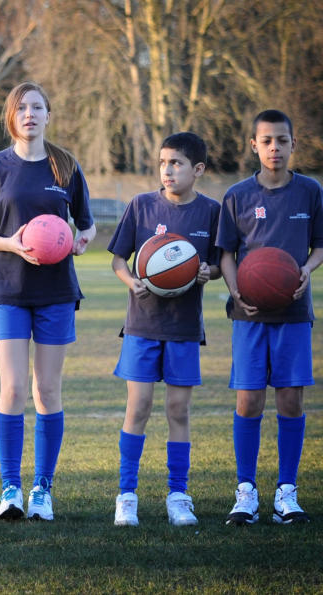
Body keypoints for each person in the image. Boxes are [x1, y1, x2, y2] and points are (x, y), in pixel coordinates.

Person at [0, 81, 95, 522]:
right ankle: (10, 489)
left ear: (47, 115)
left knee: (47, 390)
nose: (30, 114)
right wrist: (10, 243)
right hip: (9, 288)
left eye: (38, 107)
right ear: (11, 116)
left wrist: (79, 239)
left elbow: (87, 224)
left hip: (57, 290)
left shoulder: (65, 166)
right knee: (13, 388)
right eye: (22, 108)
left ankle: (43, 488)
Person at [106, 132, 221, 527]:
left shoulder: (210, 212)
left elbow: (221, 263)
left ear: (198, 170)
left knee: (178, 410)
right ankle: (126, 495)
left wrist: (210, 271)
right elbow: (119, 260)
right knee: (138, 407)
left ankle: (178, 494)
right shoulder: (141, 206)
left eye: (176, 163)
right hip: (142, 323)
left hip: (185, 326)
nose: (167, 170)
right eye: (162, 163)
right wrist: (131, 281)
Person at [217, 109, 323, 526]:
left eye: (282, 140)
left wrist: (306, 271)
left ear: (293, 144)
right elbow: (225, 254)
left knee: (291, 400)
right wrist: (236, 290)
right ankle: (246, 492)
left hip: (294, 311)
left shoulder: (310, 192)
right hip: (249, 313)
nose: (275, 147)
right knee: (248, 401)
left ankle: (286, 491)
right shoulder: (238, 195)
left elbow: (319, 246)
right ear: (254, 146)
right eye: (267, 141)